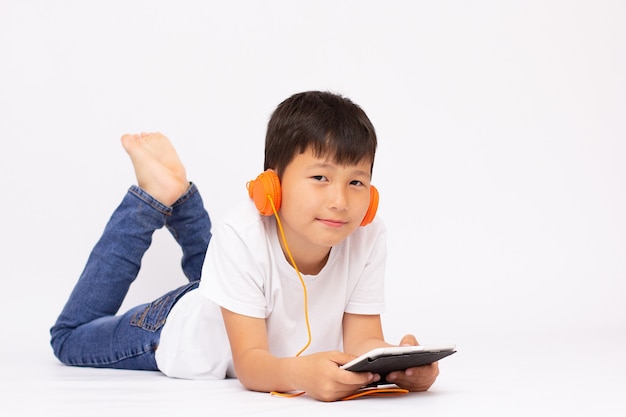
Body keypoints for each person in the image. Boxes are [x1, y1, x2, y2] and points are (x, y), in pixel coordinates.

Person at [50, 91, 439, 402]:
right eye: (321, 177)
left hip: (243, 296)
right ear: (272, 187)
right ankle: (153, 198)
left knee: (235, 266)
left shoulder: (368, 236)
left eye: (356, 182)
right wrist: (300, 374)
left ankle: (179, 194)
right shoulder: (243, 233)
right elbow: (251, 365)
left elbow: (361, 342)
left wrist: (396, 367)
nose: (340, 200)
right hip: (179, 329)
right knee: (69, 338)